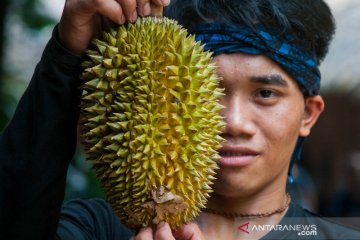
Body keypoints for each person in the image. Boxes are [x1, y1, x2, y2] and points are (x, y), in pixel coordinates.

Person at [0, 0, 359, 240]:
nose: (233, 122)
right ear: (164, 98)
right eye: (210, 90)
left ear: (308, 114)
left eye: (265, 93)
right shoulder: (95, 228)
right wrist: (66, 54)